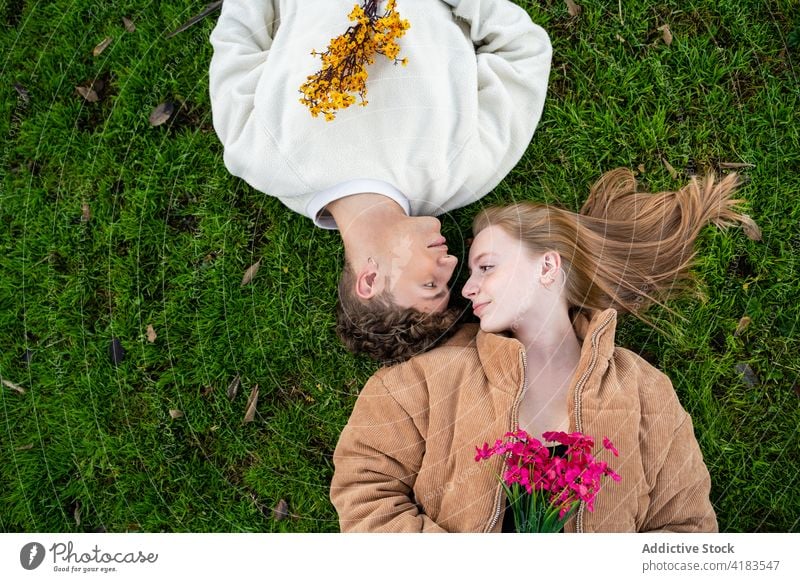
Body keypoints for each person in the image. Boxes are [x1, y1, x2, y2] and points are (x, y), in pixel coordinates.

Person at [330, 168, 759, 532]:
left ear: (548, 267)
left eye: (488, 267)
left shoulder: (646, 392)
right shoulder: (426, 377)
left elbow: (687, 526)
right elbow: (364, 487)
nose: (467, 287)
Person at [208, 0, 552, 361]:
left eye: (430, 284)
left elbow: (239, 39)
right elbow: (523, 51)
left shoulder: (261, 159)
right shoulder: (463, 170)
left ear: (370, 280)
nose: (451, 264)